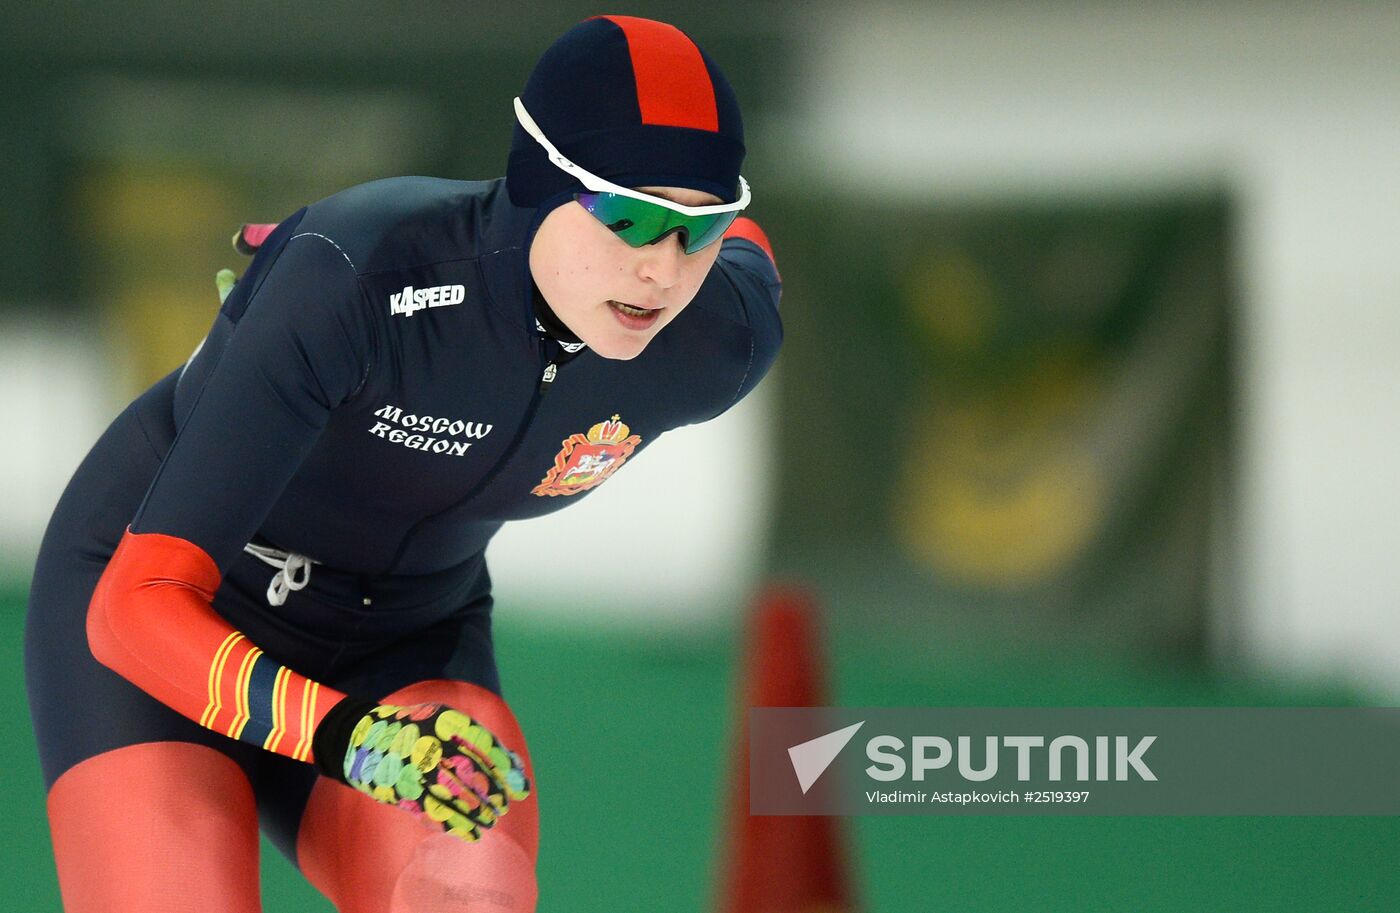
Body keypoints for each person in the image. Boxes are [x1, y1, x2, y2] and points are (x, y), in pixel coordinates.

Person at [23, 14, 781, 913]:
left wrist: (701, 226)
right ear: (539, 187)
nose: (661, 270)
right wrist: (349, 738)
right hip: (169, 617)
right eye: (628, 216)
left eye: (698, 227)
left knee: (469, 895)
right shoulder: (354, 282)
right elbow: (133, 609)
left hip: (399, 639)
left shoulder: (716, 338)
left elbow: (751, 256)